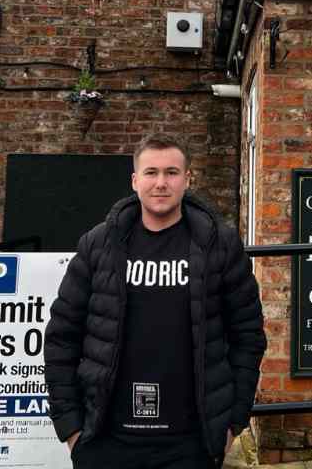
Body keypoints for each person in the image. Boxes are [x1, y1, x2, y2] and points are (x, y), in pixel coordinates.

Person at [44, 133, 266, 469]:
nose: (161, 183)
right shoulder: (98, 244)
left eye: (171, 173)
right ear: (135, 180)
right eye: (151, 173)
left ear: (187, 179)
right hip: (106, 440)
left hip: (191, 442)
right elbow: (62, 335)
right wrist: (72, 428)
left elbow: (247, 335)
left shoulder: (219, 245)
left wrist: (233, 421)